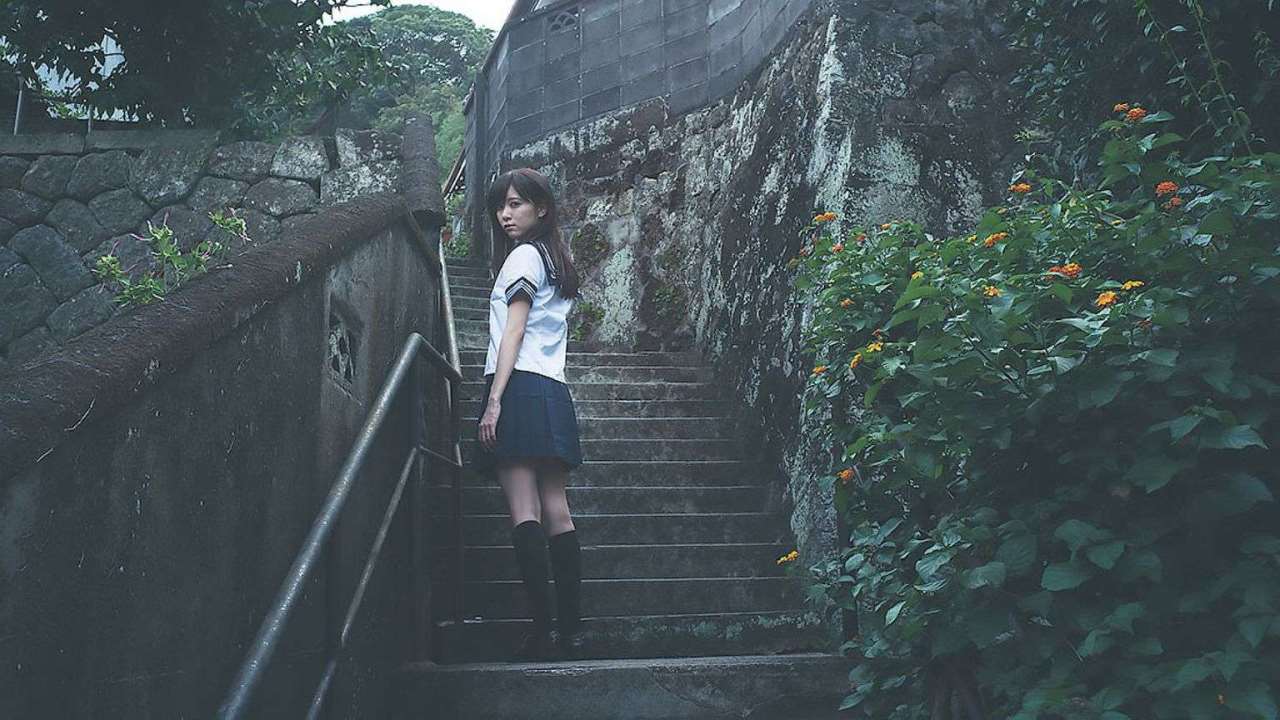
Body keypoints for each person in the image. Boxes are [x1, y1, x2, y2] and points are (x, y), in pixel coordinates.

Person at [475, 167, 585, 661]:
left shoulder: (522, 256)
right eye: (501, 206)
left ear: (542, 208)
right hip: (553, 390)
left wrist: (494, 399)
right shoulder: (557, 261)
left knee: (525, 510)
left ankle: (543, 630)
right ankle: (573, 630)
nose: (505, 214)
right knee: (557, 509)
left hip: (518, 386)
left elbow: (514, 331)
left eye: (516, 203)